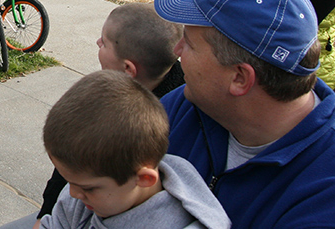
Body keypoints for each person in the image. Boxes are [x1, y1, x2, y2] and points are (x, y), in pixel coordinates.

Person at [154, 0, 335, 228]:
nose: (177, 50)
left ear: (240, 78)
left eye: (189, 43)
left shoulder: (326, 194)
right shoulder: (188, 105)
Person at [30, 3, 184, 227]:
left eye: (104, 41)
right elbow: (69, 170)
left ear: (128, 69)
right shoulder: (104, 97)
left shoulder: (173, 119)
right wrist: (45, 214)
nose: (98, 43)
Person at [40, 70, 229, 229]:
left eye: (87, 188)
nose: (73, 193)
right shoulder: (85, 193)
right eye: (70, 182)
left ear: (144, 179)